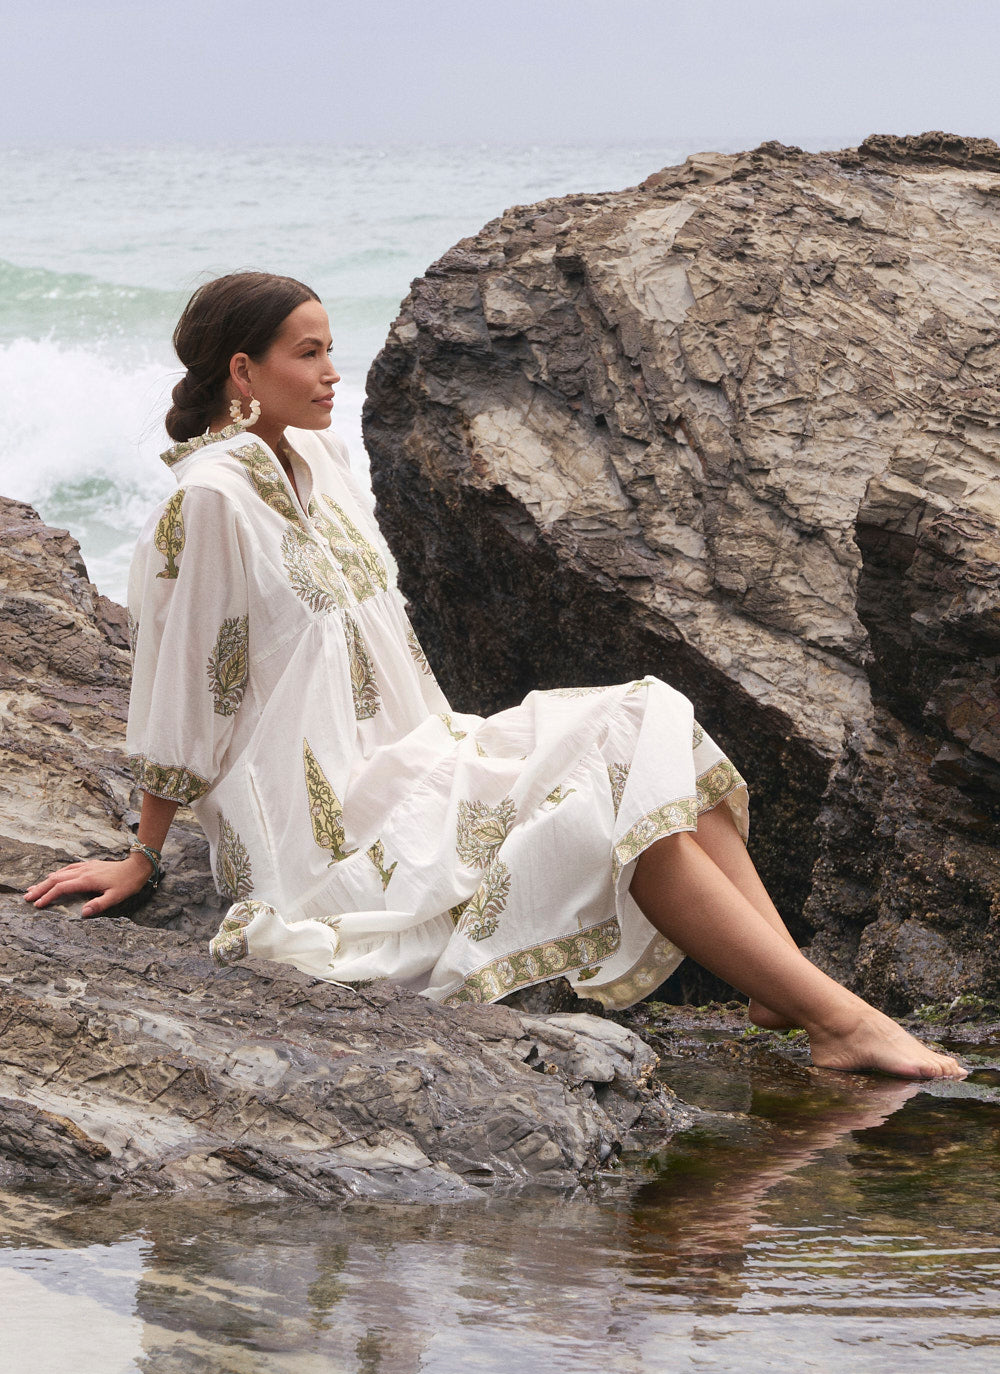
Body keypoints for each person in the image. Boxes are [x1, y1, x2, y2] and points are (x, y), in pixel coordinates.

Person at [25, 272, 965, 1080]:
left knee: (649, 719)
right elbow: (186, 688)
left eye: (329, 350)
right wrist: (143, 854)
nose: (331, 373)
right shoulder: (208, 502)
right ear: (243, 371)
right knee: (594, 801)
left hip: (412, 753)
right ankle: (838, 1021)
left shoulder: (316, 455)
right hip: (323, 829)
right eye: (308, 354)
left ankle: (784, 986)